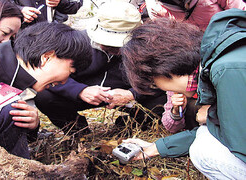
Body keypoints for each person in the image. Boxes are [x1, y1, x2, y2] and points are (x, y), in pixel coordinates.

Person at [121, 10, 246, 178]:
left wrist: (214, 116)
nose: (160, 87)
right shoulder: (218, 58)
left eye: (153, 82)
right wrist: (155, 148)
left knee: (203, 151)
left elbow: (241, 143)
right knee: (203, 136)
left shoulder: (227, 70)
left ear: (162, 68)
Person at [0, 22, 92, 158]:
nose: (65, 81)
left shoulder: (13, 87)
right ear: (47, 57)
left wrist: (31, 127)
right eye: (71, 71)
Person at [34, 1, 167, 135]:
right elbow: (47, 76)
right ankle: (78, 132)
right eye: (109, 43)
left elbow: (161, 81)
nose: (115, 49)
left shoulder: (147, 48)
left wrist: (132, 94)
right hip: (83, 93)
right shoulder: (75, 42)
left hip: (125, 94)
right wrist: (80, 90)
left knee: (161, 102)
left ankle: (128, 126)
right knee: (44, 97)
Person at [143, 0, 246, 31]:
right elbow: (169, 35)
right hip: (200, 48)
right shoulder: (154, 7)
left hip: (231, 31)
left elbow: (240, 11)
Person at [13, 0, 83, 28]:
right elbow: (3, 4)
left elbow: (75, 5)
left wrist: (60, 2)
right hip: (19, 34)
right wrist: (19, 10)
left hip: (51, 34)